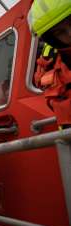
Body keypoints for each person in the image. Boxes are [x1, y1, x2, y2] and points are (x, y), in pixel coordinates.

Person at [29, 0, 71, 129]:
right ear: (52, 39)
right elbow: (42, 84)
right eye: (60, 32)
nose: (70, 34)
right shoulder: (49, 58)